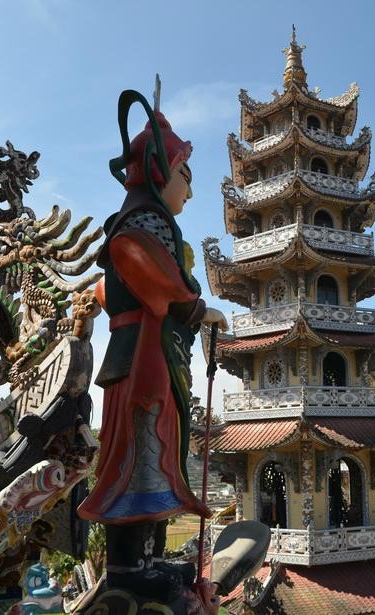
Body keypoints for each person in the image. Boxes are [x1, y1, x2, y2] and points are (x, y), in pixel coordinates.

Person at [76, 86, 228, 604]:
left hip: (154, 356)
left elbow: (113, 287)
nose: (190, 190)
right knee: (138, 452)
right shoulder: (138, 224)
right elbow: (142, 270)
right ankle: (127, 567)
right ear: (161, 173)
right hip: (140, 357)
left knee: (160, 452)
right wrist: (197, 306)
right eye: (186, 176)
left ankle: (154, 558)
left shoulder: (154, 223)